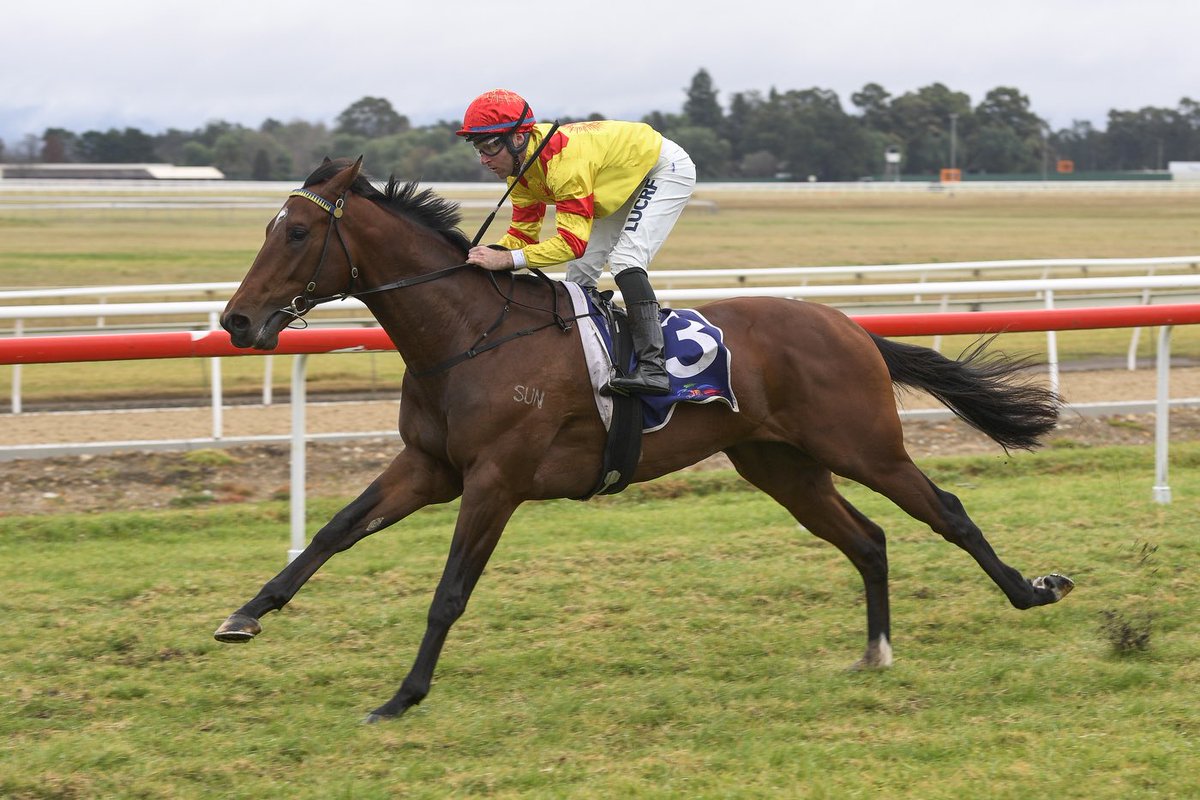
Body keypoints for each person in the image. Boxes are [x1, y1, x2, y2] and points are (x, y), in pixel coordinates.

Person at [456, 89, 697, 396]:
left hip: (661, 168)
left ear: (518, 138)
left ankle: (653, 368)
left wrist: (506, 259)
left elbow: (572, 243)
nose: (483, 159)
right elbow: (522, 236)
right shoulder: (521, 171)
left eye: (490, 147)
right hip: (615, 178)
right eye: (477, 148)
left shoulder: (563, 165)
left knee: (626, 259)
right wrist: (482, 257)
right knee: (579, 276)